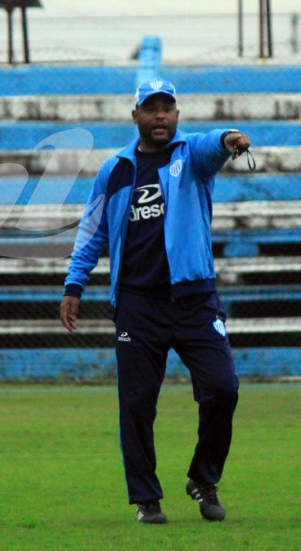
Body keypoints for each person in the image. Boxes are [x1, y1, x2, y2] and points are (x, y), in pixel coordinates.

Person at [60, 79, 249, 524]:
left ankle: (204, 478)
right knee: (137, 404)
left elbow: (212, 146)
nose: (160, 115)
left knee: (224, 388)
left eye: (167, 108)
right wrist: (74, 285)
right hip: (137, 304)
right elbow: (93, 232)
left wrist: (229, 140)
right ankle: (147, 498)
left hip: (195, 298)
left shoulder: (192, 158)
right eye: (151, 108)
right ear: (136, 116)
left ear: (177, 115)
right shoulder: (116, 170)